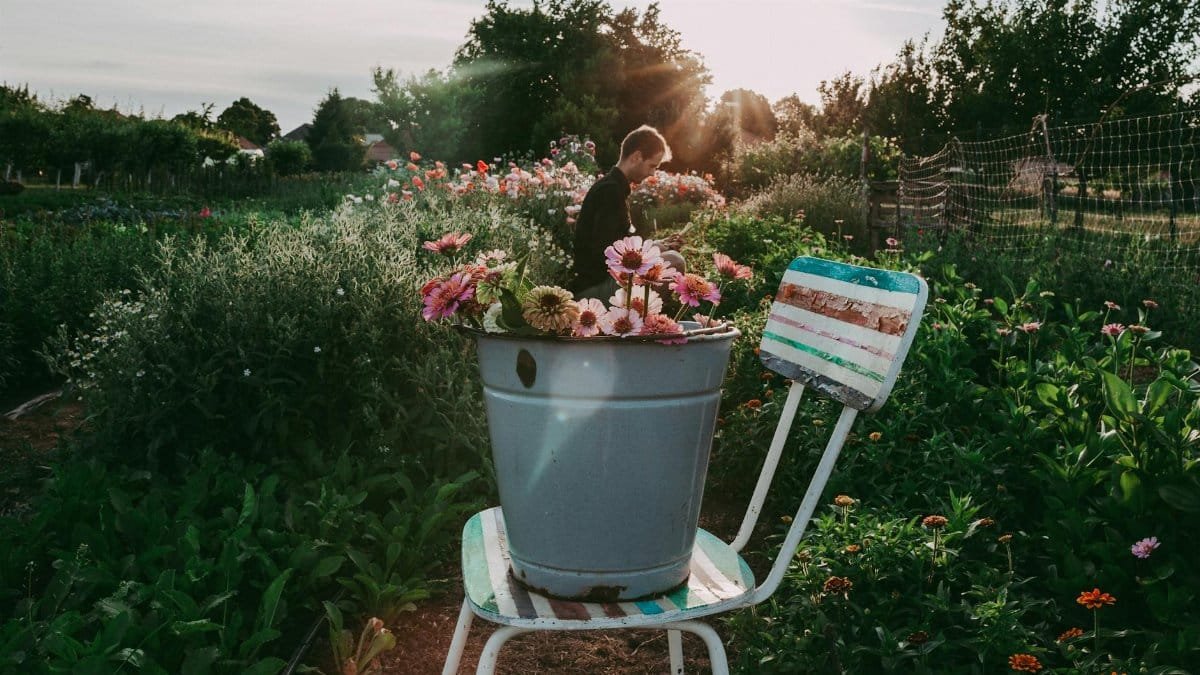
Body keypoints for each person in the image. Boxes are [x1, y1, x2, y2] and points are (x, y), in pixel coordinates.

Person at [570, 125, 683, 299]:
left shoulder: (612, 187)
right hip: (594, 290)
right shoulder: (610, 192)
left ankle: (642, 319)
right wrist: (652, 250)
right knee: (674, 262)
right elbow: (607, 253)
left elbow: (617, 243)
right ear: (637, 157)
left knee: (668, 258)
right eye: (652, 166)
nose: (653, 173)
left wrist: (655, 246)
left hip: (600, 282)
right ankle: (640, 323)